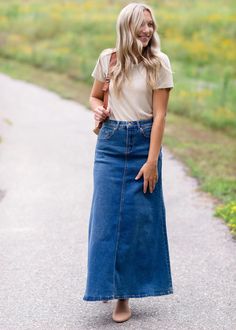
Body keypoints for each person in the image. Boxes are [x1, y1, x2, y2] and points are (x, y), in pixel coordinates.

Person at [83, 2, 174, 323]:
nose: (148, 30)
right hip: (109, 146)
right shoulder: (108, 59)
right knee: (106, 221)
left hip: (142, 144)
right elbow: (94, 96)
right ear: (127, 26)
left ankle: (125, 295)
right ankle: (108, 287)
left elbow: (160, 115)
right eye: (141, 24)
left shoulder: (158, 63)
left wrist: (152, 162)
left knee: (138, 222)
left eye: (151, 24)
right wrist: (98, 109)